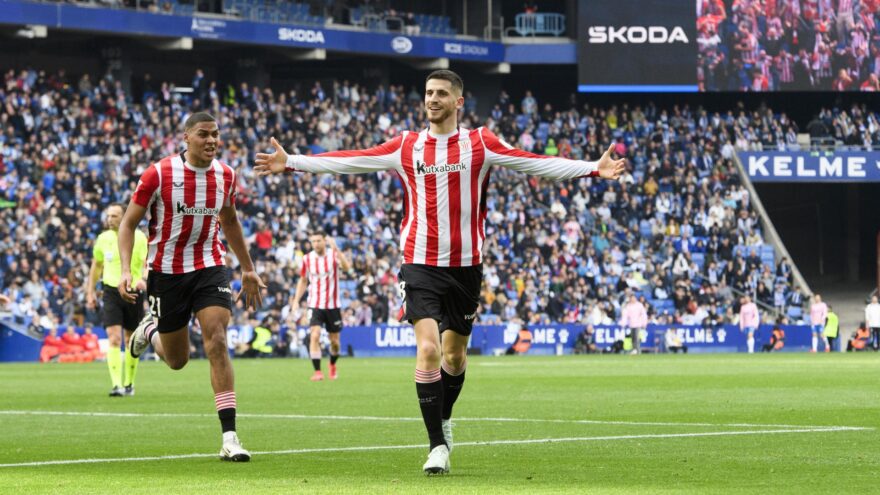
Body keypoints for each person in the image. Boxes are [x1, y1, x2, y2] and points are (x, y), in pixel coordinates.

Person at [254, 69, 625, 474]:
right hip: (418, 263)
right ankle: (437, 446)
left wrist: (592, 168)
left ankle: (444, 418)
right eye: (429, 92)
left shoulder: (480, 143)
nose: (433, 99)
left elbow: (534, 164)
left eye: (441, 93)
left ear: (458, 102)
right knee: (428, 349)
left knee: (454, 354)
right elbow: (351, 161)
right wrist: (291, 161)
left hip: (466, 268)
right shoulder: (407, 146)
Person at [119, 111, 266, 462]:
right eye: (204, 134)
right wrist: (127, 270)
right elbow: (128, 225)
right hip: (166, 273)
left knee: (216, 338)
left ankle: (229, 437)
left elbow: (229, 220)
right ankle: (150, 329)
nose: (212, 140)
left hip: (210, 267)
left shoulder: (226, 175)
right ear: (186, 137)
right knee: (177, 360)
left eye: (216, 134)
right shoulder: (158, 174)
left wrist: (247, 268)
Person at [85, 203, 149, 397]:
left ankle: (129, 383)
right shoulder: (103, 239)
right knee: (113, 337)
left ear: (124, 217)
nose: (109, 219)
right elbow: (96, 266)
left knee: (131, 340)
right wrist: (90, 292)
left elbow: (148, 264)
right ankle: (116, 385)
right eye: (108, 215)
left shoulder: (140, 238)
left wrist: (143, 280)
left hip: (133, 292)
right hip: (111, 290)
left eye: (114, 216)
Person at [293, 232, 352, 381]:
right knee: (315, 334)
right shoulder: (307, 259)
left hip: (333, 306)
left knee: (335, 343)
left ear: (324, 241)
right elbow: (303, 280)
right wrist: (296, 300)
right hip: (315, 304)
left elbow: (346, 268)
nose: (316, 244)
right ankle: (318, 371)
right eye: (313, 241)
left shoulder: (333, 255)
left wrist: (336, 248)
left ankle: (332, 364)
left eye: (318, 240)